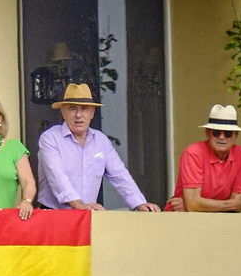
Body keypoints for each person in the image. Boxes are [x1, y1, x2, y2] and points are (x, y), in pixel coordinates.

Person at [35, 83, 159, 211]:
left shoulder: (101, 141)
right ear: (63, 112)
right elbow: (57, 177)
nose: (78, 115)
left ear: (92, 113)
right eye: (72, 108)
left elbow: (120, 175)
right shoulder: (50, 138)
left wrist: (139, 203)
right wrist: (79, 205)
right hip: (54, 216)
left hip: (88, 216)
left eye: (84, 109)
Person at [164, 104, 241, 212]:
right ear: (207, 133)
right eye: (216, 132)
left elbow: (236, 207)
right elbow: (193, 205)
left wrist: (193, 205)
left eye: (228, 133)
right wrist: (229, 204)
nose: (221, 137)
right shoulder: (193, 153)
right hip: (182, 220)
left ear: (235, 136)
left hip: (218, 221)